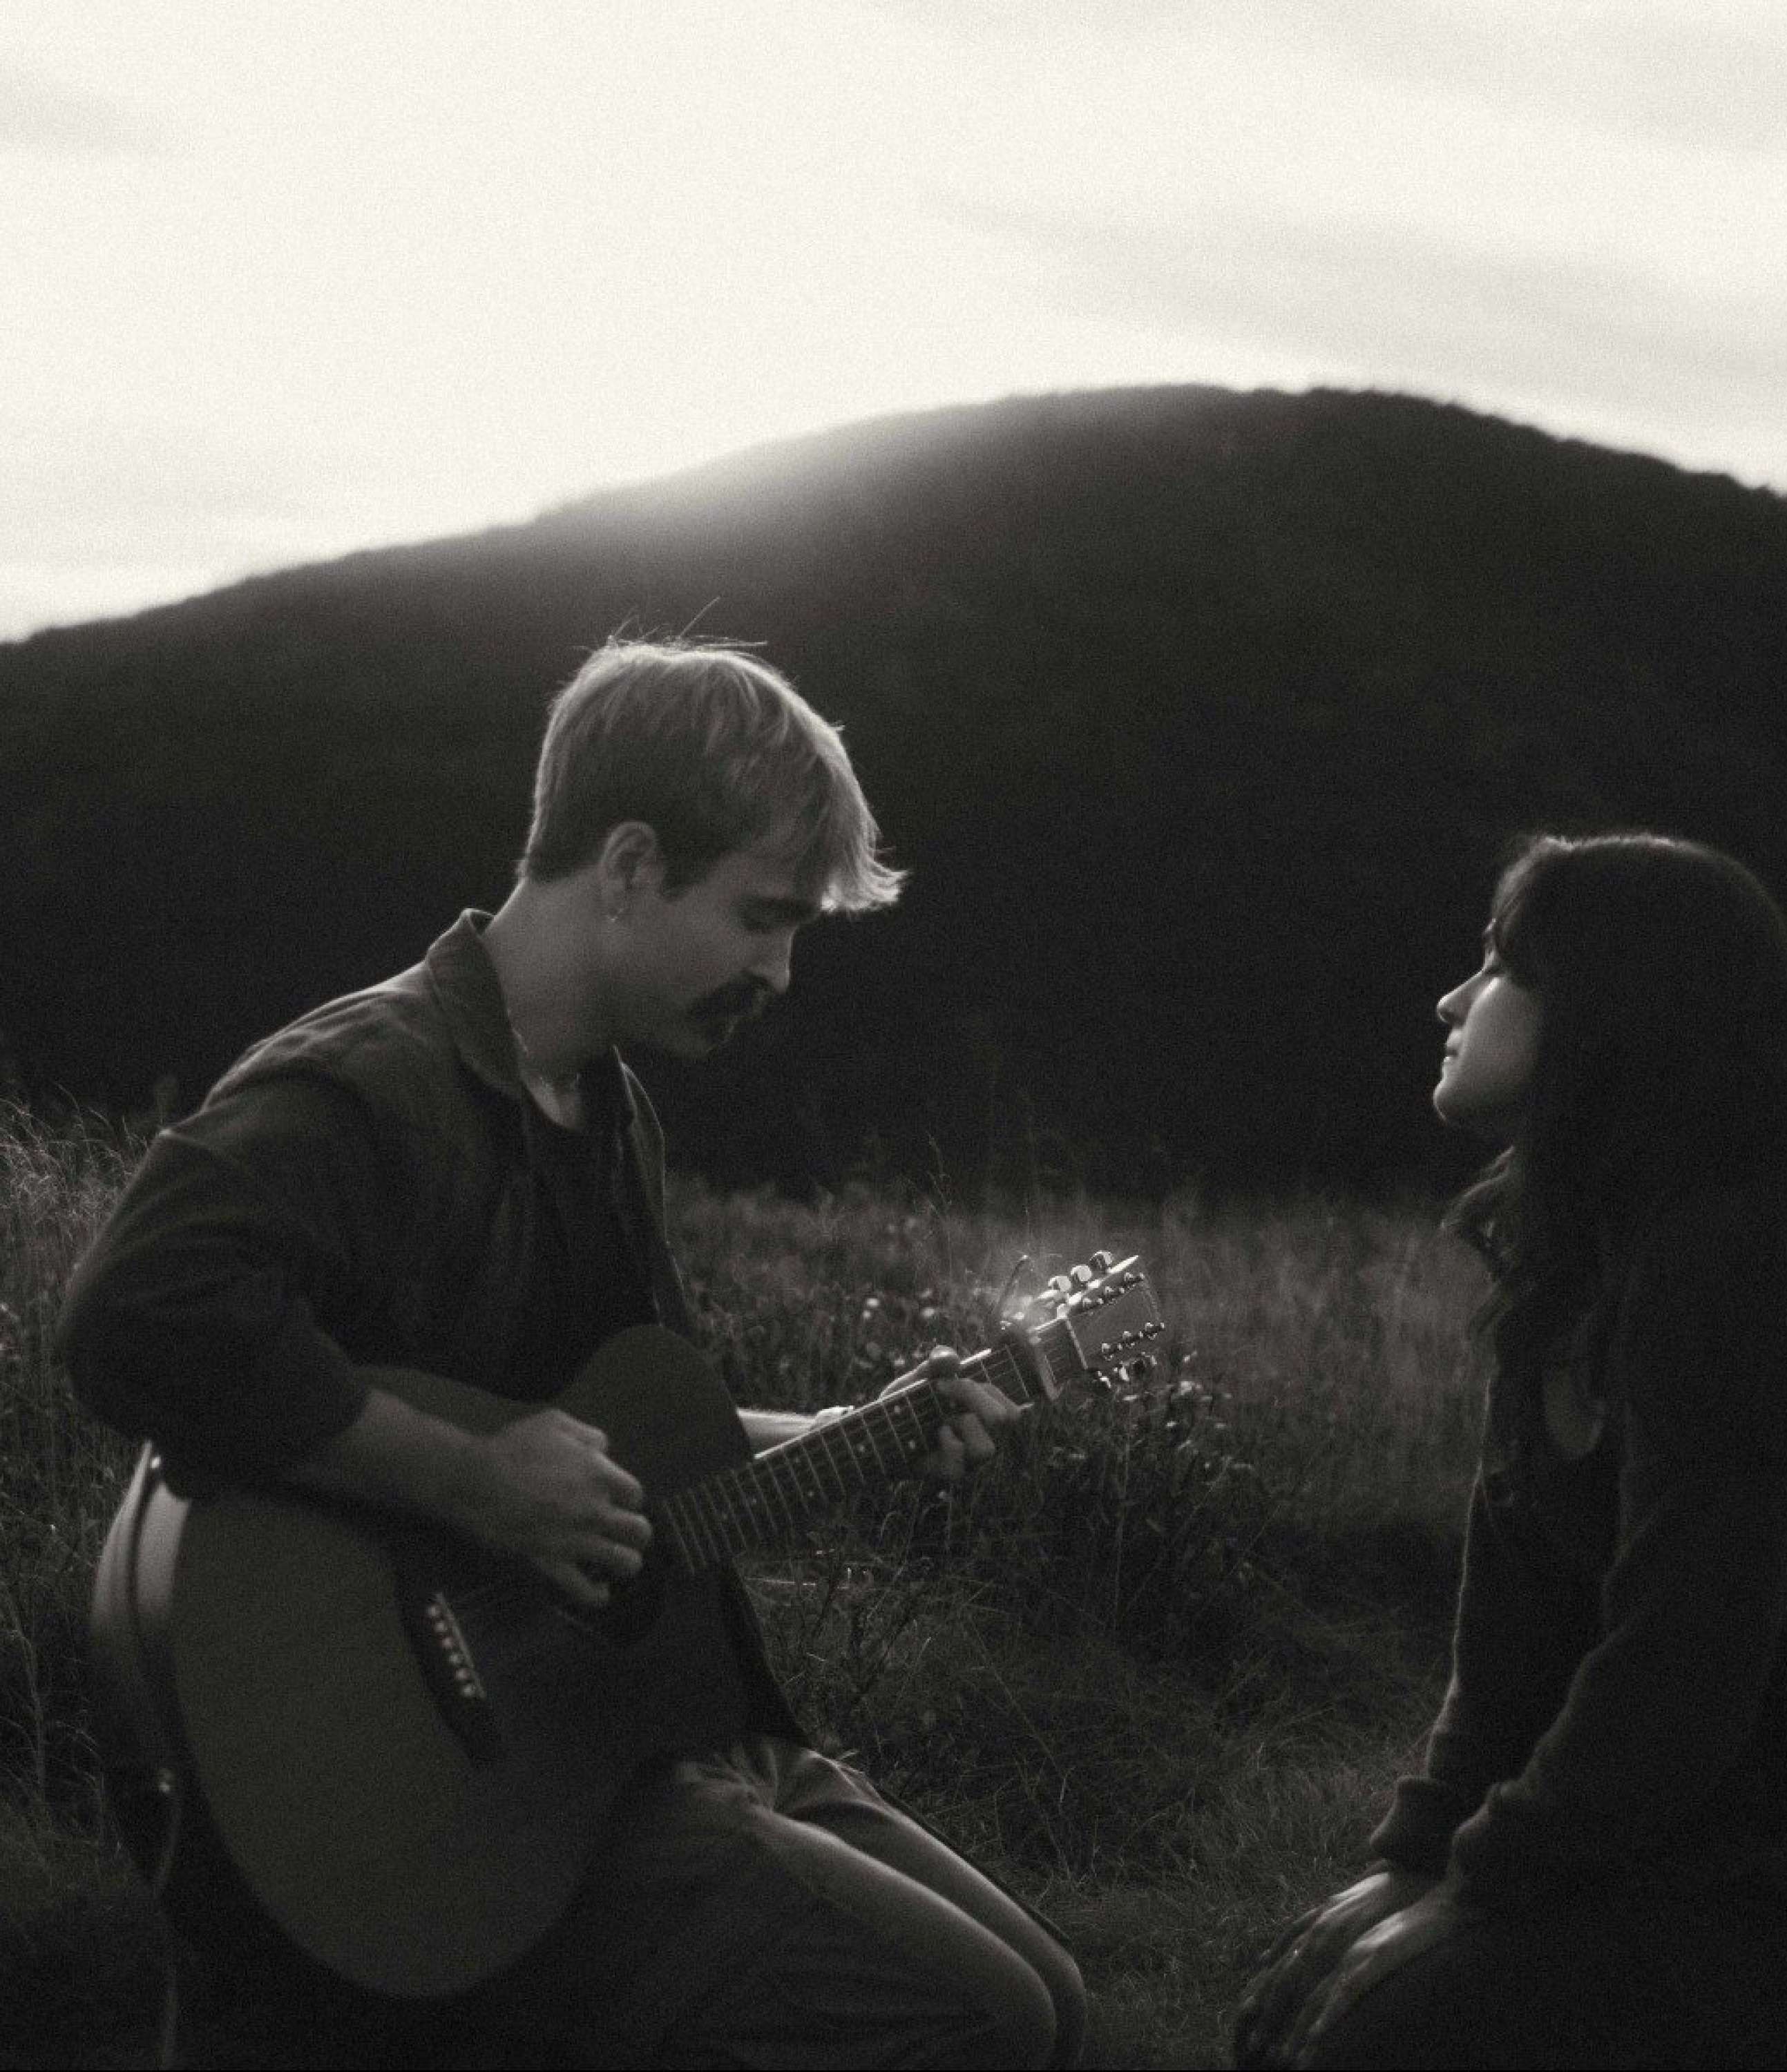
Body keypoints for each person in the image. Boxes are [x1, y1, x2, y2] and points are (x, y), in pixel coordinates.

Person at [61, 638, 1086, 2069]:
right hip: (411, 1798)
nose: (782, 972)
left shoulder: (606, 1113)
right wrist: (473, 1480)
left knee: (1061, 2008)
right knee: (978, 2023)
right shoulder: (367, 1082)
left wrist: (867, 1427)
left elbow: (624, 1460)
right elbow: (136, 1314)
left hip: (604, 1740)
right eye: (763, 917)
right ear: (627, 865)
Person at [1233, 832, 1787, 2071]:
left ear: (1613, 1014)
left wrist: (1477, 1889)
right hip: (1715, 1843)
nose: (1452, 1002)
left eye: (1500, 966)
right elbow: (1506, 1657)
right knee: (1302, 2005)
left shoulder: (1744, 1266)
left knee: (1382, 2035)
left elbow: (1677, 1677)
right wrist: (1410, 1861)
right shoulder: (1571, 1264)